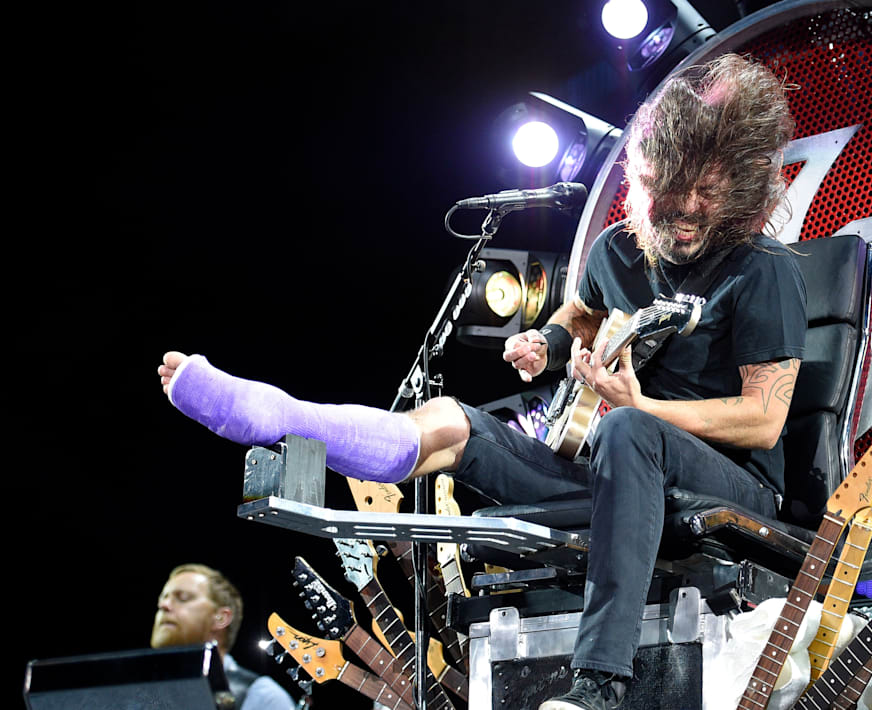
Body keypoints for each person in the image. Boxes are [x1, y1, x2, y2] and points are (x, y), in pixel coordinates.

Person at [158, 53, 805, 710]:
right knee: (452, 419)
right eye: (674, 189)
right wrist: (546, 343)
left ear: (740, 187)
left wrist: (644, 409)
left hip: (733, 484)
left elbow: (764, 419)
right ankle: (284, 418)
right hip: (620, 473)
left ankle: (599, 685)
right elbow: (581, 316)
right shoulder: (617, 250)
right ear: (644, 180)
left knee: (629, 430)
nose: (689, 208)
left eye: (709, 191)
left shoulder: (761, 270)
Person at [152, 563, 296, 710]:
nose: (164, 605)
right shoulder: (146, 690)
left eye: (183, 598)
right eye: (163, 598)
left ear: (221, 617)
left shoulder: (263, 698)